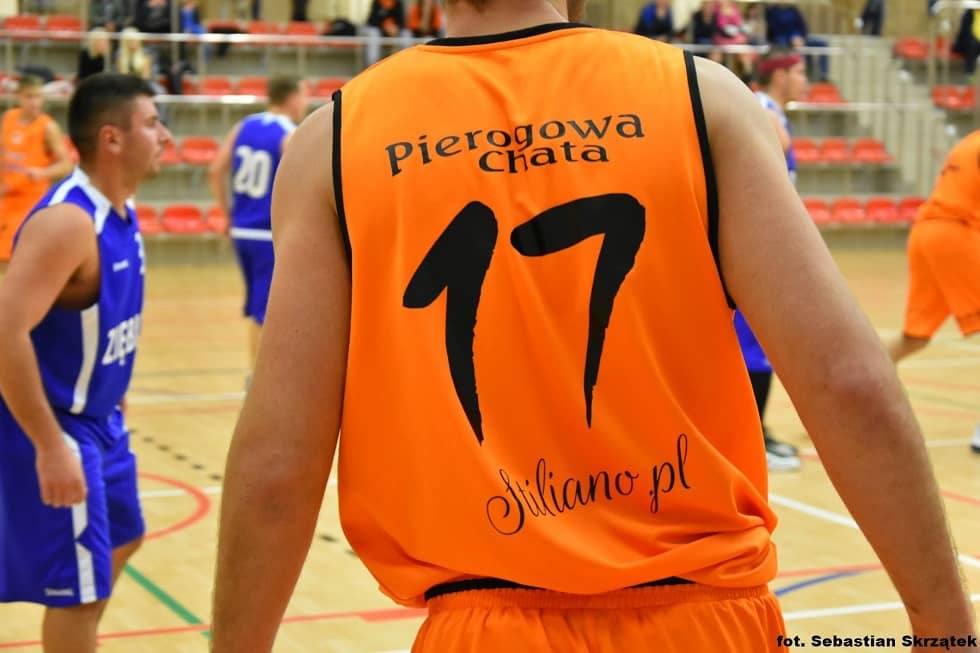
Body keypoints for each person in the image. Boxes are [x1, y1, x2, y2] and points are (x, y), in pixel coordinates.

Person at [210, 1, 979, 651]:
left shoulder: (334, 144)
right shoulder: (699, 98)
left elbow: (279, 462)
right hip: (708, 619)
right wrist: (945, 627)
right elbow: (848, 382)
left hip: (481, 625)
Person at [0, 73, 171, 653]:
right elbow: (5, 331)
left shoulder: (120, 209)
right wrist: (49, 444)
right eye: (152, 123)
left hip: (100, 419)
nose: (166, 136)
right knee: (75, 593)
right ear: (111, 138)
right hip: (58, 424)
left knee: (125, 537)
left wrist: (111, 384)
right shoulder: (68, 223)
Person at [732, 47, 808, 472]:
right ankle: (752, 439)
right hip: (754, 248)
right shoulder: (760, 109)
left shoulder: (773, 113)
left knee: (759, 345)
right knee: (755, 346)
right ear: (779, 75)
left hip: (763, 246)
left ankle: (753, 432)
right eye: (799, 72)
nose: (805, 80)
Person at [887, 130, 980, 454]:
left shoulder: (970, 141)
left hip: (926, 233)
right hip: (955, 234)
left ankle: (853, 396)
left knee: (915, 337)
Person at [208, 75, 309, 371]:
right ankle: (259, 377)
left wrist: (227, 215)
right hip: (268, 233)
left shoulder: (244, 126)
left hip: (241, 230)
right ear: (292, 97)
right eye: (303, 95)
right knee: (267, 311)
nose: (305, 102)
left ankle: (259, 373)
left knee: (258, 307)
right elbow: (301, 185)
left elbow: (216, 169)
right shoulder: (289, 134)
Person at [0, 75, 73, 270]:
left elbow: (67, 165)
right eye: (29, 96)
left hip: (30, 202)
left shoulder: (48, 127)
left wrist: (42, 172)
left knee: (13, 258)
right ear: (19, 97)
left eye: (38, 97)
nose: (35, 102)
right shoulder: (9, 118)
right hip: (7, 197)